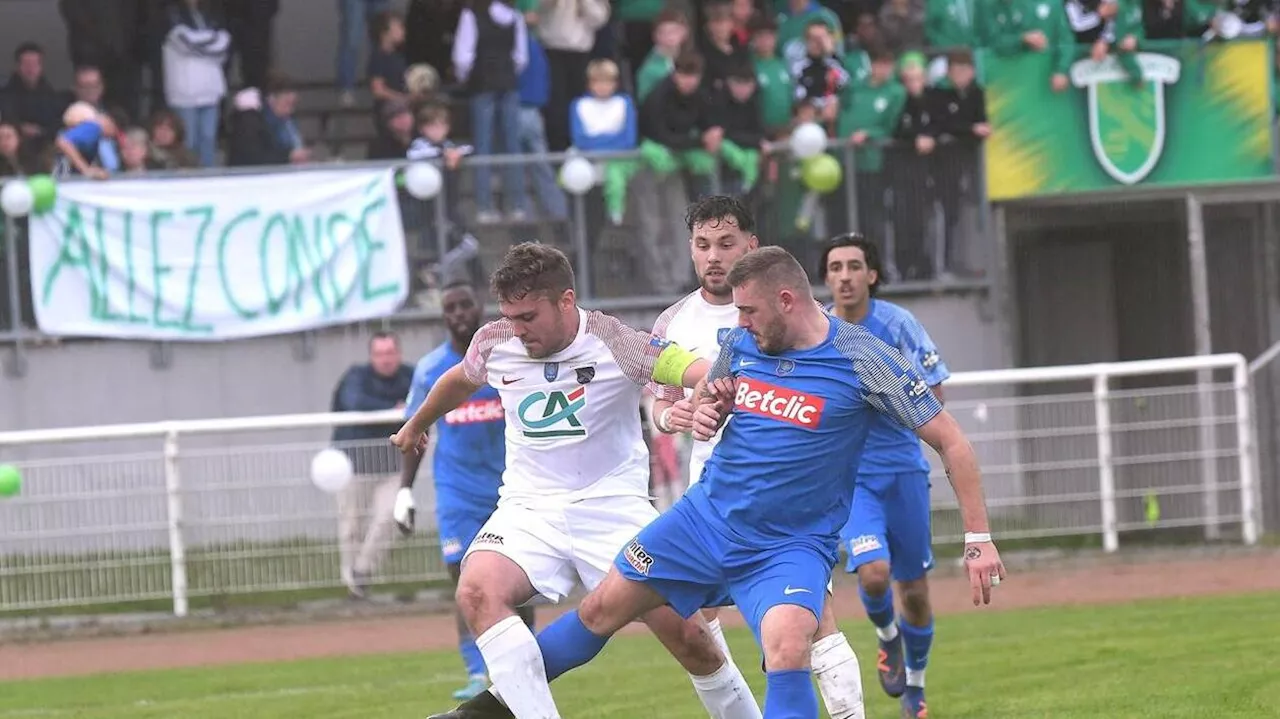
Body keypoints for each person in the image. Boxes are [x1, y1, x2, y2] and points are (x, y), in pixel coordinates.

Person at [528, 245, 1006, 719]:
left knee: (787, 648)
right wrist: (707, 411)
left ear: (786, 301)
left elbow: (952, 442)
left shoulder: (864, 358)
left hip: (789, 546)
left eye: (749, 311)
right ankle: (489, 708)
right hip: (705, 521)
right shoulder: (741, 345)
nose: (740, 324)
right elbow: (714, 401)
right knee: (599, 610)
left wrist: (978, 538)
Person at [390, 243, 760, 719]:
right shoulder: (494, 340)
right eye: (510, 316)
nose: (517, 330)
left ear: (565, 301)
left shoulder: (614, 340)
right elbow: (459, 379)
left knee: (690, 637)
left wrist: (711, 392)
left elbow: (695, 368)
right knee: (476, 590)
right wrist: (418, 424)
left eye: (528, 316)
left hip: (613, 509)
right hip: (529, 508)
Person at [648, 197, 867, 719]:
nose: (714, 257)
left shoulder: (793, 312)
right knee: (696, 619)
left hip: (787, 496)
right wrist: (668, 418)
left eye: (726, 244)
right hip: (711, 496)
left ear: (751, 244)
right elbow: (656, 399)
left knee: (814, 621)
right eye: (703, 246)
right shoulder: (672, 320)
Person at [820, 233, 950, 719]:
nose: (845, 276)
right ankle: (886, 638)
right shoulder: (818, 329)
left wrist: (897, 403)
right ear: (827, 276)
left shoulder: (898, 324)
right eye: (835, 267)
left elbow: (935, 393)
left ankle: (915, 686)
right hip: (852, 480)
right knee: (873, 574)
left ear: (871, 274)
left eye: (854, 266)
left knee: (914, 592)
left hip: (904, 473)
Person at [396, 281, 534, 702]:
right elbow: (416, 430)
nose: (458, 313)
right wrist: (404, 490)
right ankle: (478, 671)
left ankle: (527, 662)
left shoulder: (508, 357)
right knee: (465, 583)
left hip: (508, 488)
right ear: (443, 316)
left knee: (514, 581)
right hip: (456, 491)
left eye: (465, 304)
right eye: (450, 307)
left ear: (479, 308)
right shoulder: (429, 369)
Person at [330, 332, 414, 598]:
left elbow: (424, 401)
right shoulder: (356, 377)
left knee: (389, 516)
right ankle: (352, 588)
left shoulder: (410, 376)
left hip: (392, 465)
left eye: (390, 352)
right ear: (371, 356)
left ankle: (362, 572)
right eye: (380, 353)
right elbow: (356, 403)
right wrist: (394, 409)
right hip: (354, 465)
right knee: (351, 525)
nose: (386, 359)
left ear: (398, 354)